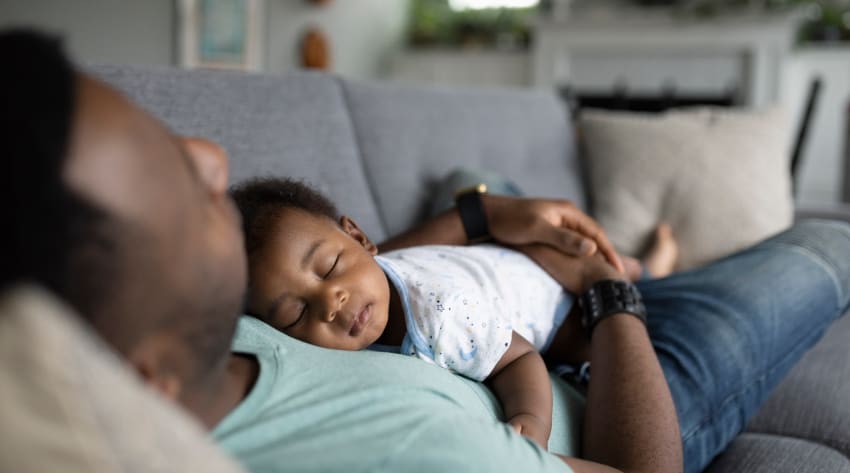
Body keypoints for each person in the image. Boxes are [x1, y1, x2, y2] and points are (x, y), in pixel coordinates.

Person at [3, 29, 849, 473]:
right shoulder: (393, 441)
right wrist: (603, 291)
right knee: (829, 236)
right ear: (141, 371)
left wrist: (487, 214)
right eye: (183, 188)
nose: (216, 159)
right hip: (617, 365)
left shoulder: (225, 318)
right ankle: (644, 266)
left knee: (482, 182)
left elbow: (392, 275)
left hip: (520, 292)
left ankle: (646, 258)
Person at [227, 177, 678, 448]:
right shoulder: (365, 280)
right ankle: (645, 264)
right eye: (294, 315)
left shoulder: (440, 318)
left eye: (330, 268)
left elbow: (519, 357)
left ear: (361, 238)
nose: (331, 303)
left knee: (602, 300)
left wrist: (532, 422)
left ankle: (647, 267)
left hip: (554, 295)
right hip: (488, 260)